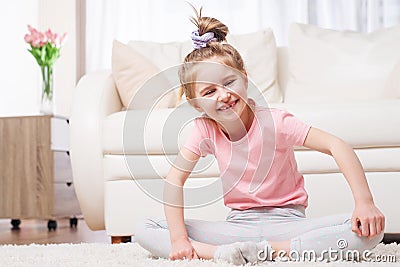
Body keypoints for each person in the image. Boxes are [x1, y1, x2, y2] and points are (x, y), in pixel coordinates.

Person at [135, 7, 385, 265]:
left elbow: (336, 145)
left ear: (245, 79)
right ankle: (224, 253)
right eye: (209, 92)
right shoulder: (204, 129)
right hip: (237, 228)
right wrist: (178, 240)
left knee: (371, 233)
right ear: (196, 104)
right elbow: (174, 180)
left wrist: (364, 202)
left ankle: (269, 250)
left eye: (229, 83)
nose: (223, 95)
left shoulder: (276, 122)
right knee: (145, 227)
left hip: (288, 224)